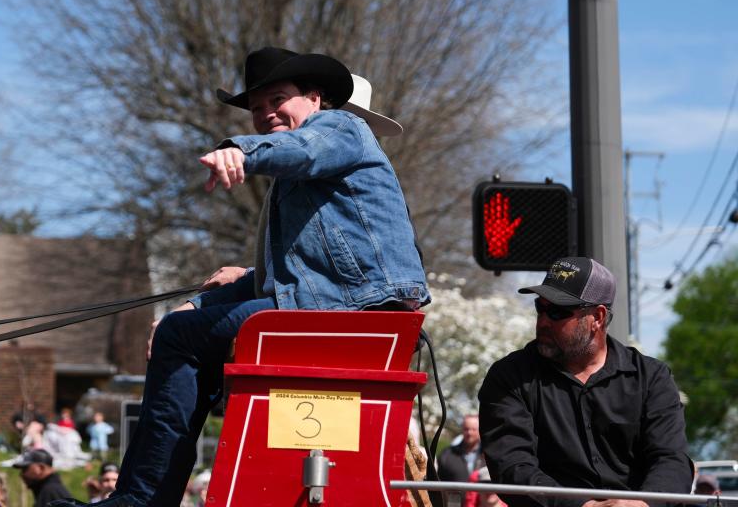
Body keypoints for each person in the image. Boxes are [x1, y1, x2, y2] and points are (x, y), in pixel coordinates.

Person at [81, 47, 430, 507]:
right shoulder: (304, 184)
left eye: (277, 100)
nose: (266, 114)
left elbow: (302, 150)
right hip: (336, 306)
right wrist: (201, 300)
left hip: (351, 309)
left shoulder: (342, 128)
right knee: (185, 330)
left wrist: (238, 149)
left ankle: (143, 498)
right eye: (256, 108)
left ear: (314, 97)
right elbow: (298, 274)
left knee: (178, 338)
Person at [478, 257, 692, 507]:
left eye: (557, 311)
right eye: (540, 307)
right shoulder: (509, 376)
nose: (543, 321)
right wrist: (580, 505)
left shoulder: (651, 377)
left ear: (598, 317)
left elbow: (671, 459)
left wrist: (642, 504)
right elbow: (512, 465)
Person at [438, 415, 485, 507]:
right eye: (466, 429)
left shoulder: (489, 454)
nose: (469, 433)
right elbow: (439, 483)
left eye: (473, 429)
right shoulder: (447, 454)